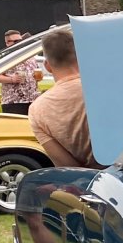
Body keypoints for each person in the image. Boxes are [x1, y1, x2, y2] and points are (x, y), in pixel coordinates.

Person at [27, 27, 100, 169]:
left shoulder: (37, 110)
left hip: (90, 179)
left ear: (47, 66)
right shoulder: (104, 88)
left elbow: (66, 165)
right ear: (81, 57)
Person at [0, 29, 44, 114]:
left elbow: (36, 72)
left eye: (21, 40)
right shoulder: (4, 58)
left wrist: (37, 77)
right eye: (16, 41)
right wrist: (11, 79)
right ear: (8, 43)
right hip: (14, 102)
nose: (20, 43)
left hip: (33, 99)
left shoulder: (29, 56)